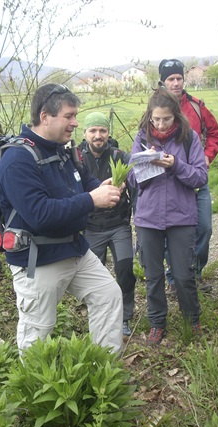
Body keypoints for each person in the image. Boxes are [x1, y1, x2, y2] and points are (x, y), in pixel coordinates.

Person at [0, 83, 125, 355]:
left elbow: (83, 182)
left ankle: (103, 372)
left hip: (74, 249)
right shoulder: (18, 159)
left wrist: (105, 186)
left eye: (75, 116)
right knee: (38, 332)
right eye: (69, 116)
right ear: (45, 117)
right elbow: (40, 214)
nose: (75, 123)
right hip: (39, 257)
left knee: (108, 296)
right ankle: (32, 390)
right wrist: (93, 200)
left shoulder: (62, 149)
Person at [127, 87, 208, 346]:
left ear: (176, 115)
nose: (160, 124)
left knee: (184, 274)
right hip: (148, 217)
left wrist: (175, 165)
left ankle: (191, 321)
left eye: (166, 119)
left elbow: (200, 177)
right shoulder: (141, 137)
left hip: (181, 216)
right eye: (156, 119)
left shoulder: (188, 138)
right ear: (149, 116)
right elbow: (130, 179)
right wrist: (146, 163)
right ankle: (157, 323)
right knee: (153, 275)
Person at [158, 59, 218, 294]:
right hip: (169, 183)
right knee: (171, 232)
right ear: (162, 82)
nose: (176, 83)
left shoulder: (196, 106)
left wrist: (207, 155)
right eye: (170, 79)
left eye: (179, 78)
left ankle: (194, 273)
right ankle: (174, 277)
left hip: (196, 179)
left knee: (203, 228)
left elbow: (214, 133)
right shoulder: (156, 108)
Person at [80, 112, 136, 337]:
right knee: (95, 276)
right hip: (91, 227)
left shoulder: (120, 156)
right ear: (85, 134)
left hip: (118, 225)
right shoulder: (77, 159)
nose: (98, 135)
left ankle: (125, 317)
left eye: (102, 130)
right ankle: (99, 315)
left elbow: (137, 187)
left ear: (108, 133)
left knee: (125, 270)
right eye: (93, 130)